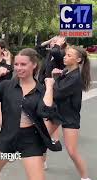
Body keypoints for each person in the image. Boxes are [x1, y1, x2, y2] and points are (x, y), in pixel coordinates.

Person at [0, 48, 61, 180]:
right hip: (8, 136)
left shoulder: (41, 90)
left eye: (23, 64)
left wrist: (49, 88)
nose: (19, 68)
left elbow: (46, 112)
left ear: (34, 65)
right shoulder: (7, 86)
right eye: (16, 64)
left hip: (30, 139)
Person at [45, 46, 91, 180]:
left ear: (78, 60)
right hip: (56, 113)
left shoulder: (75, 77)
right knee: (40, 139)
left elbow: (58, 93)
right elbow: (57, 87)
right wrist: (56, 77)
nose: (65, 57)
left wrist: (52, 81)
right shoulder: (66, 71)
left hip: (70, 117)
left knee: (72, 151)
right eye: (65, 55)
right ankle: (40, 163)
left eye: (69, 55)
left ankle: (85, 177)